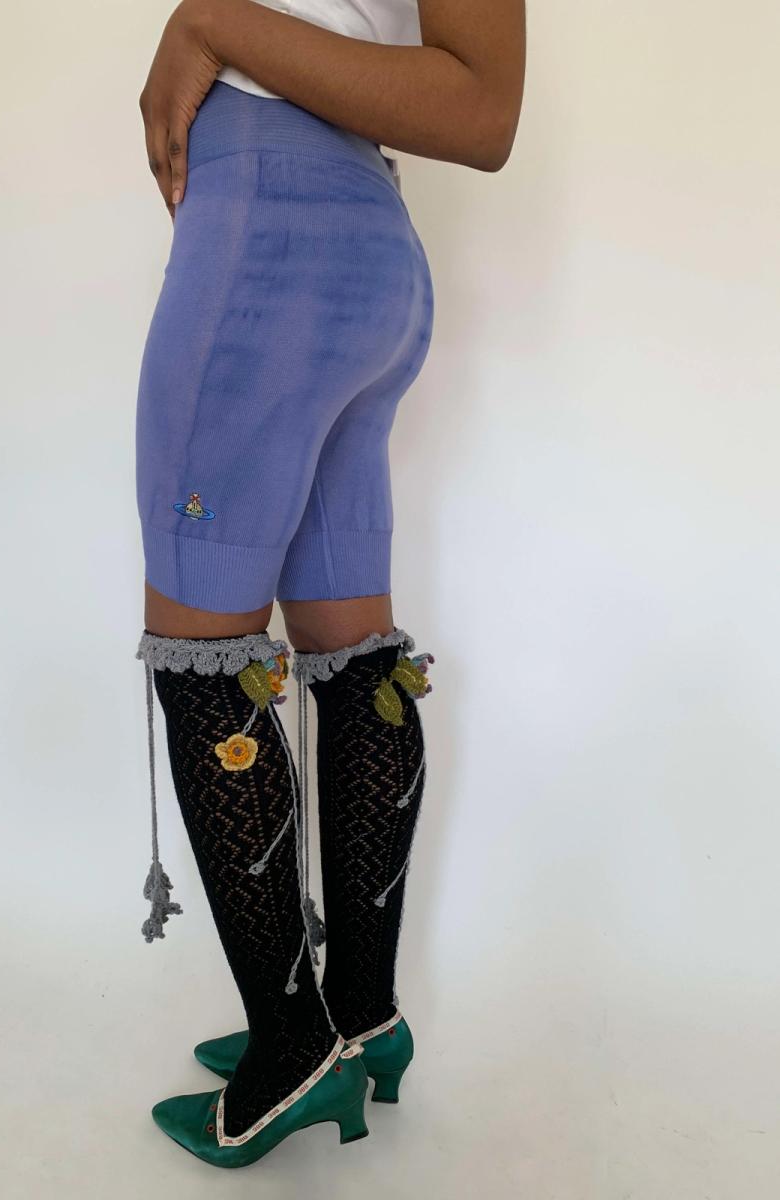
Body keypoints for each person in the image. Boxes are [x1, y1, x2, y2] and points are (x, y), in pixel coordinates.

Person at [133, 0, 525, 1168]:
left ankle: (291, 1048)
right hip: (368, 242)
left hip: (268, 232)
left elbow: (483, 110)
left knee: (204, 650)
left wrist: (211, 23)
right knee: (353, 645)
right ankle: (361, 1018)